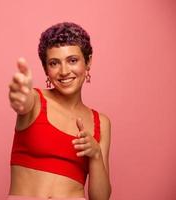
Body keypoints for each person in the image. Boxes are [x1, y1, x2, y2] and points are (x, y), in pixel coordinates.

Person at [7, 22, 111, 200]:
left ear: (88, 62)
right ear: (46, 69)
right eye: (54, 63)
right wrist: (19, 97)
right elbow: (23, 104)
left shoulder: (101, 122)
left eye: (72, 60)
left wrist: (95, 154)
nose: (64, 71)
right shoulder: (35, 100)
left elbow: (100, 198)